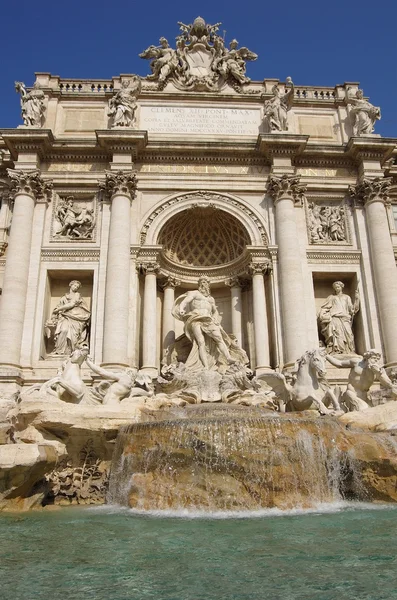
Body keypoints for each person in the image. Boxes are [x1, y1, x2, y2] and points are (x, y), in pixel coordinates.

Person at [172, 277, 247, 371]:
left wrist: (215, 319)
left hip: (208, 319)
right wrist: (181, 308)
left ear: (208, 285)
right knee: (201, 342)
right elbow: (185, 301)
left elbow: (215, 311)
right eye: (202, 283)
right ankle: (206, 366)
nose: (204, 285)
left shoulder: (211, 299)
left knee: (219, 338)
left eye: (206, 283)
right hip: (196, 318)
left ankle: (228, 358)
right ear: (199, 285)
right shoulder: (194, 293)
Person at [326, 350, 397, 411]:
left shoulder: (379, 370)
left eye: (377, 359)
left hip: (365, 397)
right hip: (352, 393)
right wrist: (326, 355)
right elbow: (339, 363)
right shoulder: (356, 362)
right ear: (367, 357)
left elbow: (388, 384)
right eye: (374, 358)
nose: (375, 361)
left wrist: (379, 374)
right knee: (364, 410)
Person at [85, 357, 153, 406]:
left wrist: (89, 363)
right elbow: (139, 391)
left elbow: (102, 372)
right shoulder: (129, 386)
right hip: (115, 404)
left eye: (124, 370)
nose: (122, 371)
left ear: (128, 372)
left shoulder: (123, 377)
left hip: (109, 404)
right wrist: (149, 392)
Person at [48, 281, 91, 356]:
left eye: (77, 287)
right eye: (74, 285)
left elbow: (72, 304)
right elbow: (58, 306)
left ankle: (71, 351)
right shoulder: (64, 297)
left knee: (73, 335)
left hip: (76, 317)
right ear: (70, 285)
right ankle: (59, 350)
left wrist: (58, 309)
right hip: (65, 316)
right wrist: (55, 314)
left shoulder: (77, 295)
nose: (76, 287)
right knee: (64, 330)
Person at [318, 281, 359, 354]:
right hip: (335, 318)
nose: (337, 288)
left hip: (345, 318)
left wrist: (357, 299)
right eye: (335, 287)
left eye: (338, 287)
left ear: (341, 287)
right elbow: (325, 308)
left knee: (349, 335)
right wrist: (323, 314)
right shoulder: (331, 297)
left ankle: (349, 351)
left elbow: (352, 309)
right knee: (338, 334)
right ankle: (338, 351)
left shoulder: (346, 297)